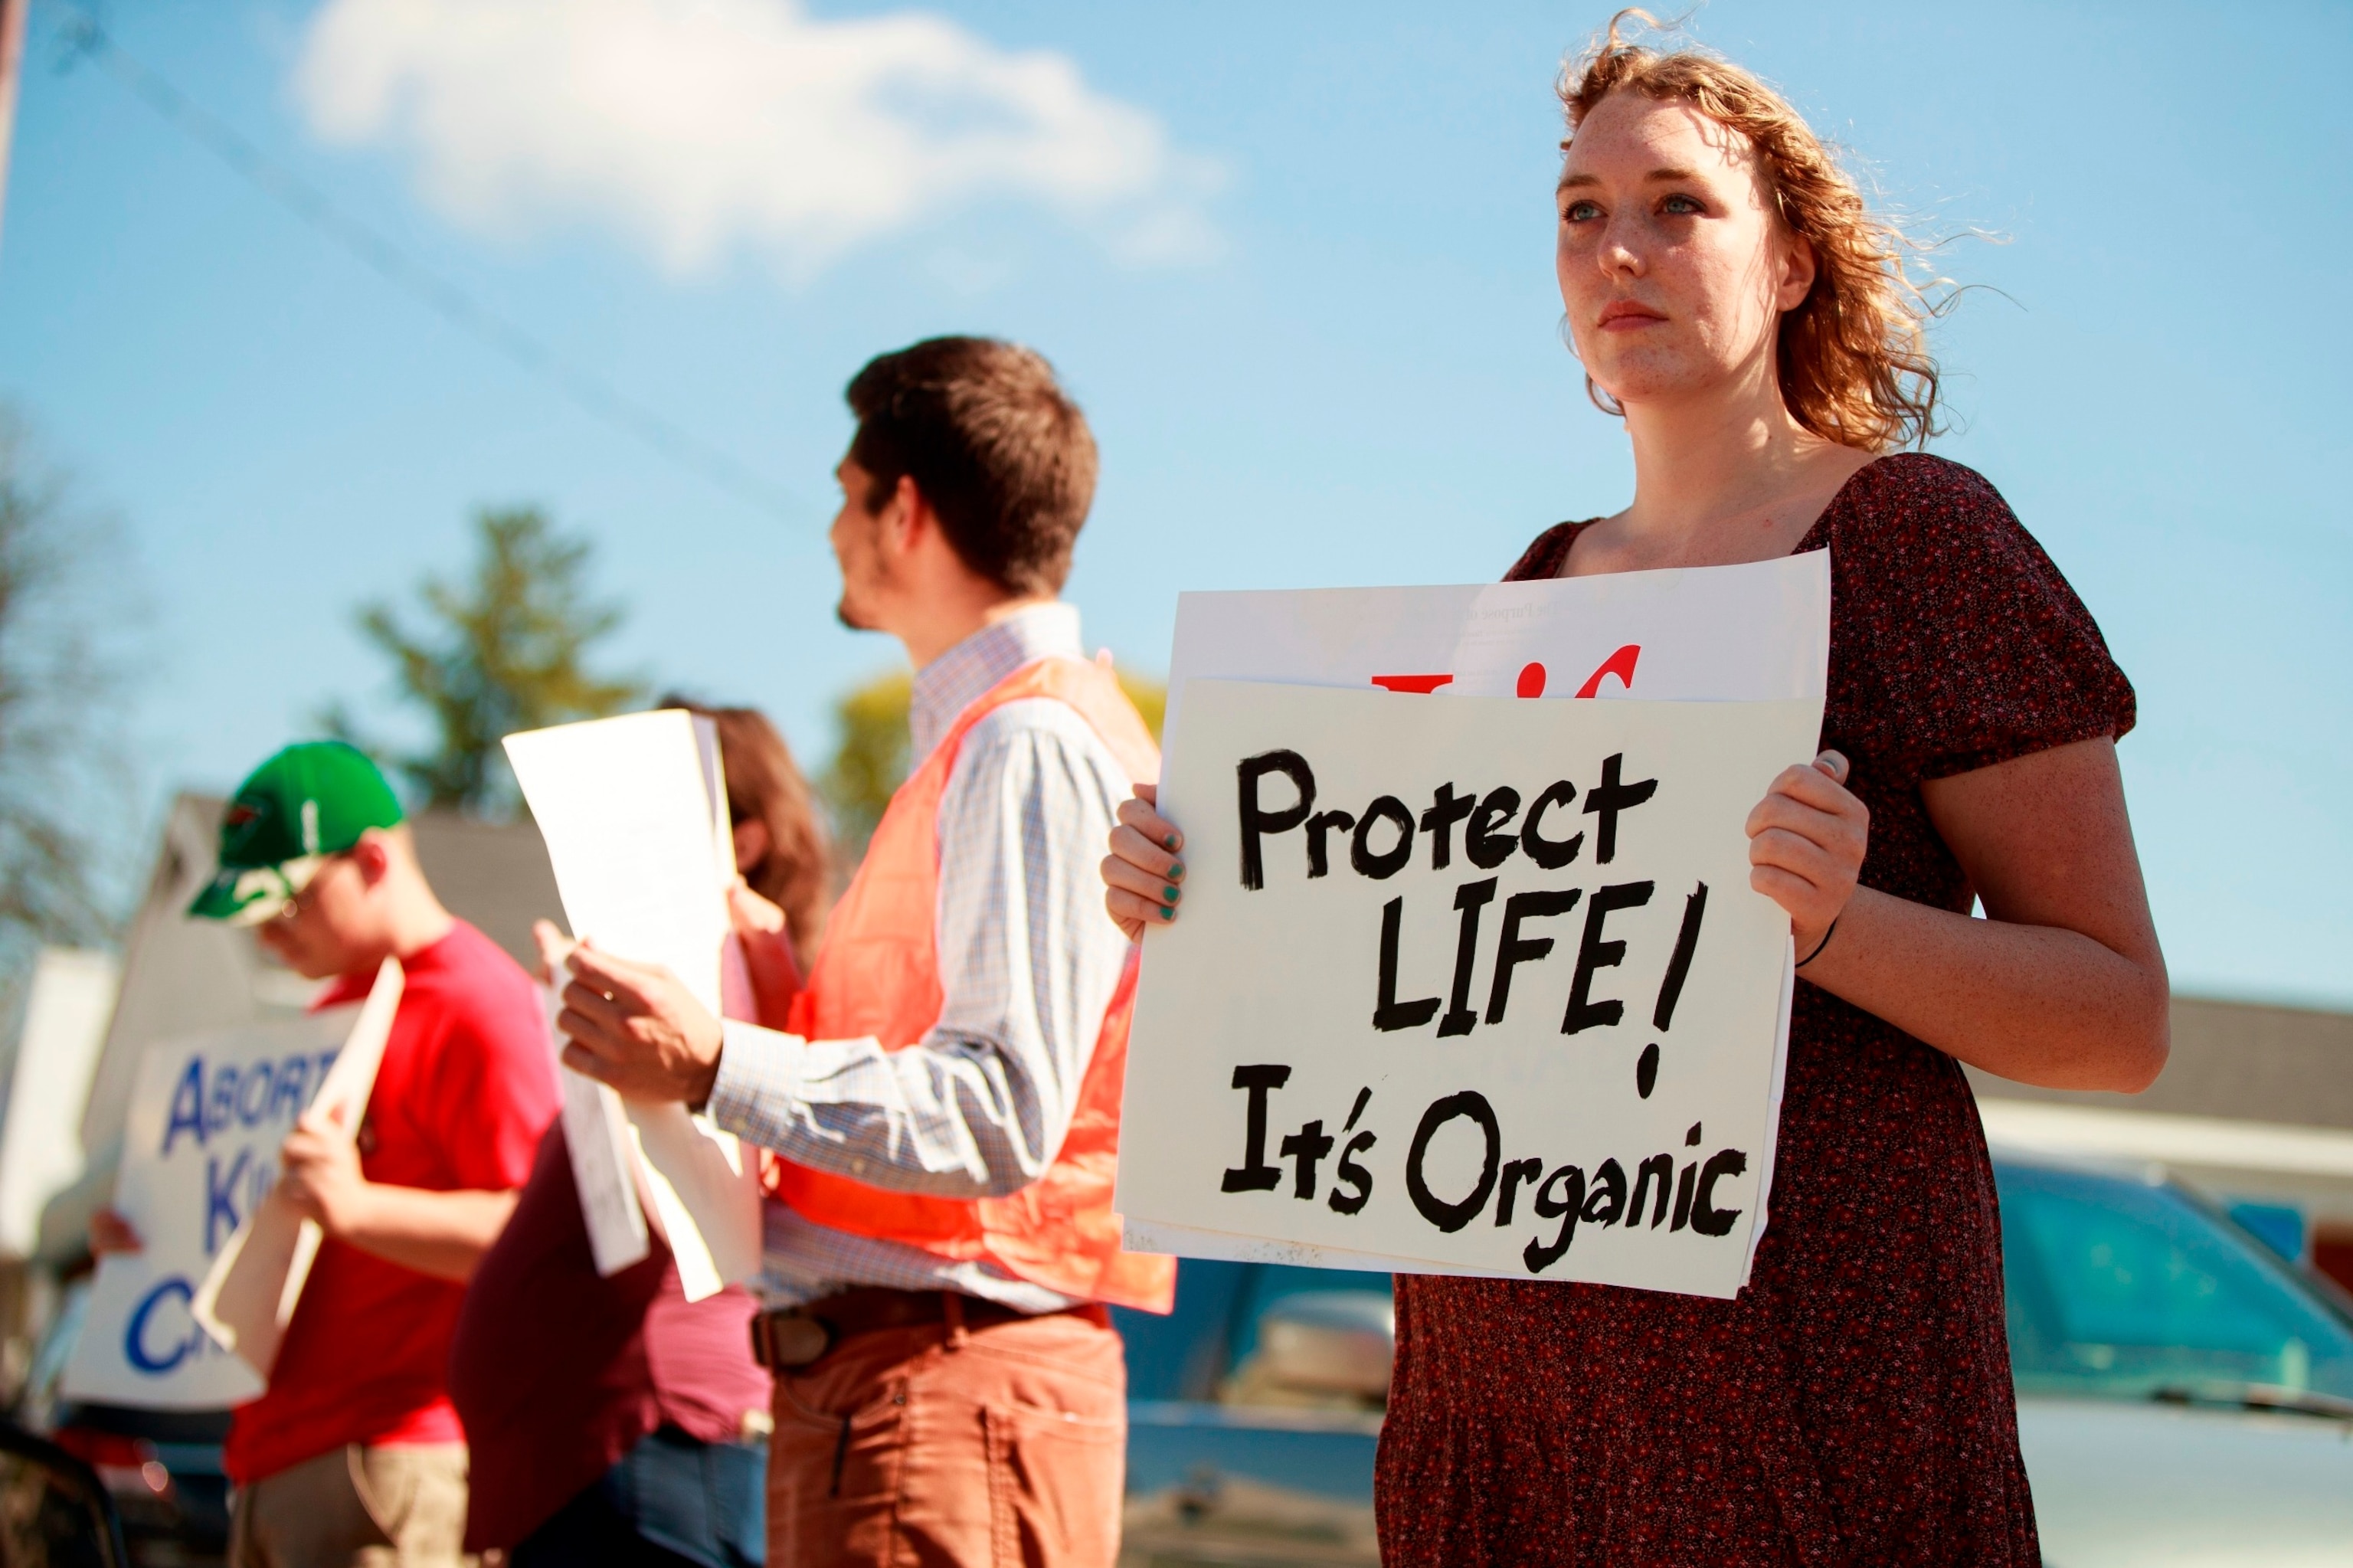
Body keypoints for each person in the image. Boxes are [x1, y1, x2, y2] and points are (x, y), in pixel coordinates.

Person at [1101, 18, 2168, 1566]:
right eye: (1581, 211)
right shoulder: (1536, 585)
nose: (1623, 249)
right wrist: (1203, 899)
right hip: (1508, 1399)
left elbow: (2120, 1019)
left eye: (1679, 204)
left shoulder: (1917, 539)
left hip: (1802, 1396)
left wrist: (1833, 928)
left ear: (1794, 261)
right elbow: (1429, 976)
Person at [543, 336, 1173, 1568]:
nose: (831, 525)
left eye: (844, 492)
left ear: (906, 512)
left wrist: (718, 1058)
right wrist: (776, 1004)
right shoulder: (1002, 737)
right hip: (921, 1396)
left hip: (938, 1395)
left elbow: (998, 1113)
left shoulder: (1022, 743)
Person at [449, 701, 830, 1566]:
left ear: (747, 837)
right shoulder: (691, 994)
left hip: (655, 1446)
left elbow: (713, 1196)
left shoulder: (759, 991)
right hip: (600, 1459)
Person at [162, 741, 558, 1567]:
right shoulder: (334, 1012)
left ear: (373, 860)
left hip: (390, 1458)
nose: (270, 937)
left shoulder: (477, 1006)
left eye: (289, 905)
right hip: (272, 1455)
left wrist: (359, 1207)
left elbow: (539, 1238)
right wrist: (146, 1235)